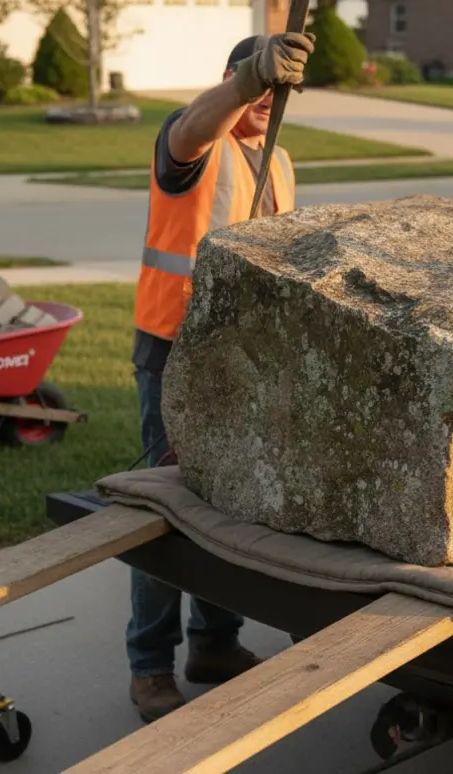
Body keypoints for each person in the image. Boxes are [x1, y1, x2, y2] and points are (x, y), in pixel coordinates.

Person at [127, 30, 316, 724]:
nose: (268, 99)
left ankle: (214, 642)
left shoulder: (280, 162)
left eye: (278, 87)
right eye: (258, 84)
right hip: (175, 352)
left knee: (229, 510)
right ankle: (149, 666)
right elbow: (190, 126)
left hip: (242, 361)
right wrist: (246, 82)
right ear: (233, 79)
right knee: (166, 515)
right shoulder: (192, 143)